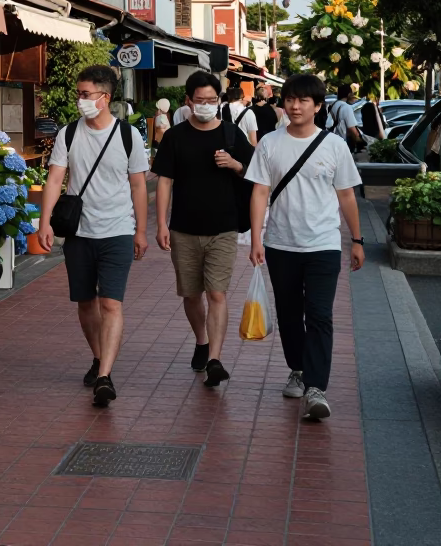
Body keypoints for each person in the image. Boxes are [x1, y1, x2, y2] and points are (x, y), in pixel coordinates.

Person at [248, 73, 364, 421]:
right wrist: (255, 238)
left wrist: (356, 240)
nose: (295, 106)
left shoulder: (334, 146)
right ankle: (297, 369)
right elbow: (259, 192)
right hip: (280, 244)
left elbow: (346, 195)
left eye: (303, 100)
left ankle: (316, 386)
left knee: (319, 315)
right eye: (289, 99)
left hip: (324, 244)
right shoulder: (269, 143)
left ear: (317, 106)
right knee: (288, 314)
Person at [38, 65, 150, 408]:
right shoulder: (69, 134)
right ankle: (100, 358)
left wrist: (141, 230)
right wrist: (44, 223)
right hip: (79, 233)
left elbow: (138, 185)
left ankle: (104, 376)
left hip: (116, 230)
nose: (80, 101)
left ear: (106, 98)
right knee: (86, 303)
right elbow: (55, 179)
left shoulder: (128, 136)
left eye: (86, 95)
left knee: (110, 303)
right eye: (78, 94)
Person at [153, 71, 254, 388]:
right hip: (183, 228)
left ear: (220, 100)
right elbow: (165, 181)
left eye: (213, 100)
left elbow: (254, 171)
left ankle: (215, 358)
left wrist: (235, 165)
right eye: (200, 100)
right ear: (188, 101)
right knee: (191, 294)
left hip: (224, 228)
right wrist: (161, 223)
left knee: (217, 293)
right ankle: (201, 340)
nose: (207, 105)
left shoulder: (231, 134)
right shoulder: (175, 136)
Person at [327, 84, 362, 153]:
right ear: (349, 94)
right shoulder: (346, 107)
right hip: (344, 143)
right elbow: (352, 128)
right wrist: (360, 141)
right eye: (352, 93)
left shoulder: (333, 105)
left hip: (333, 140)